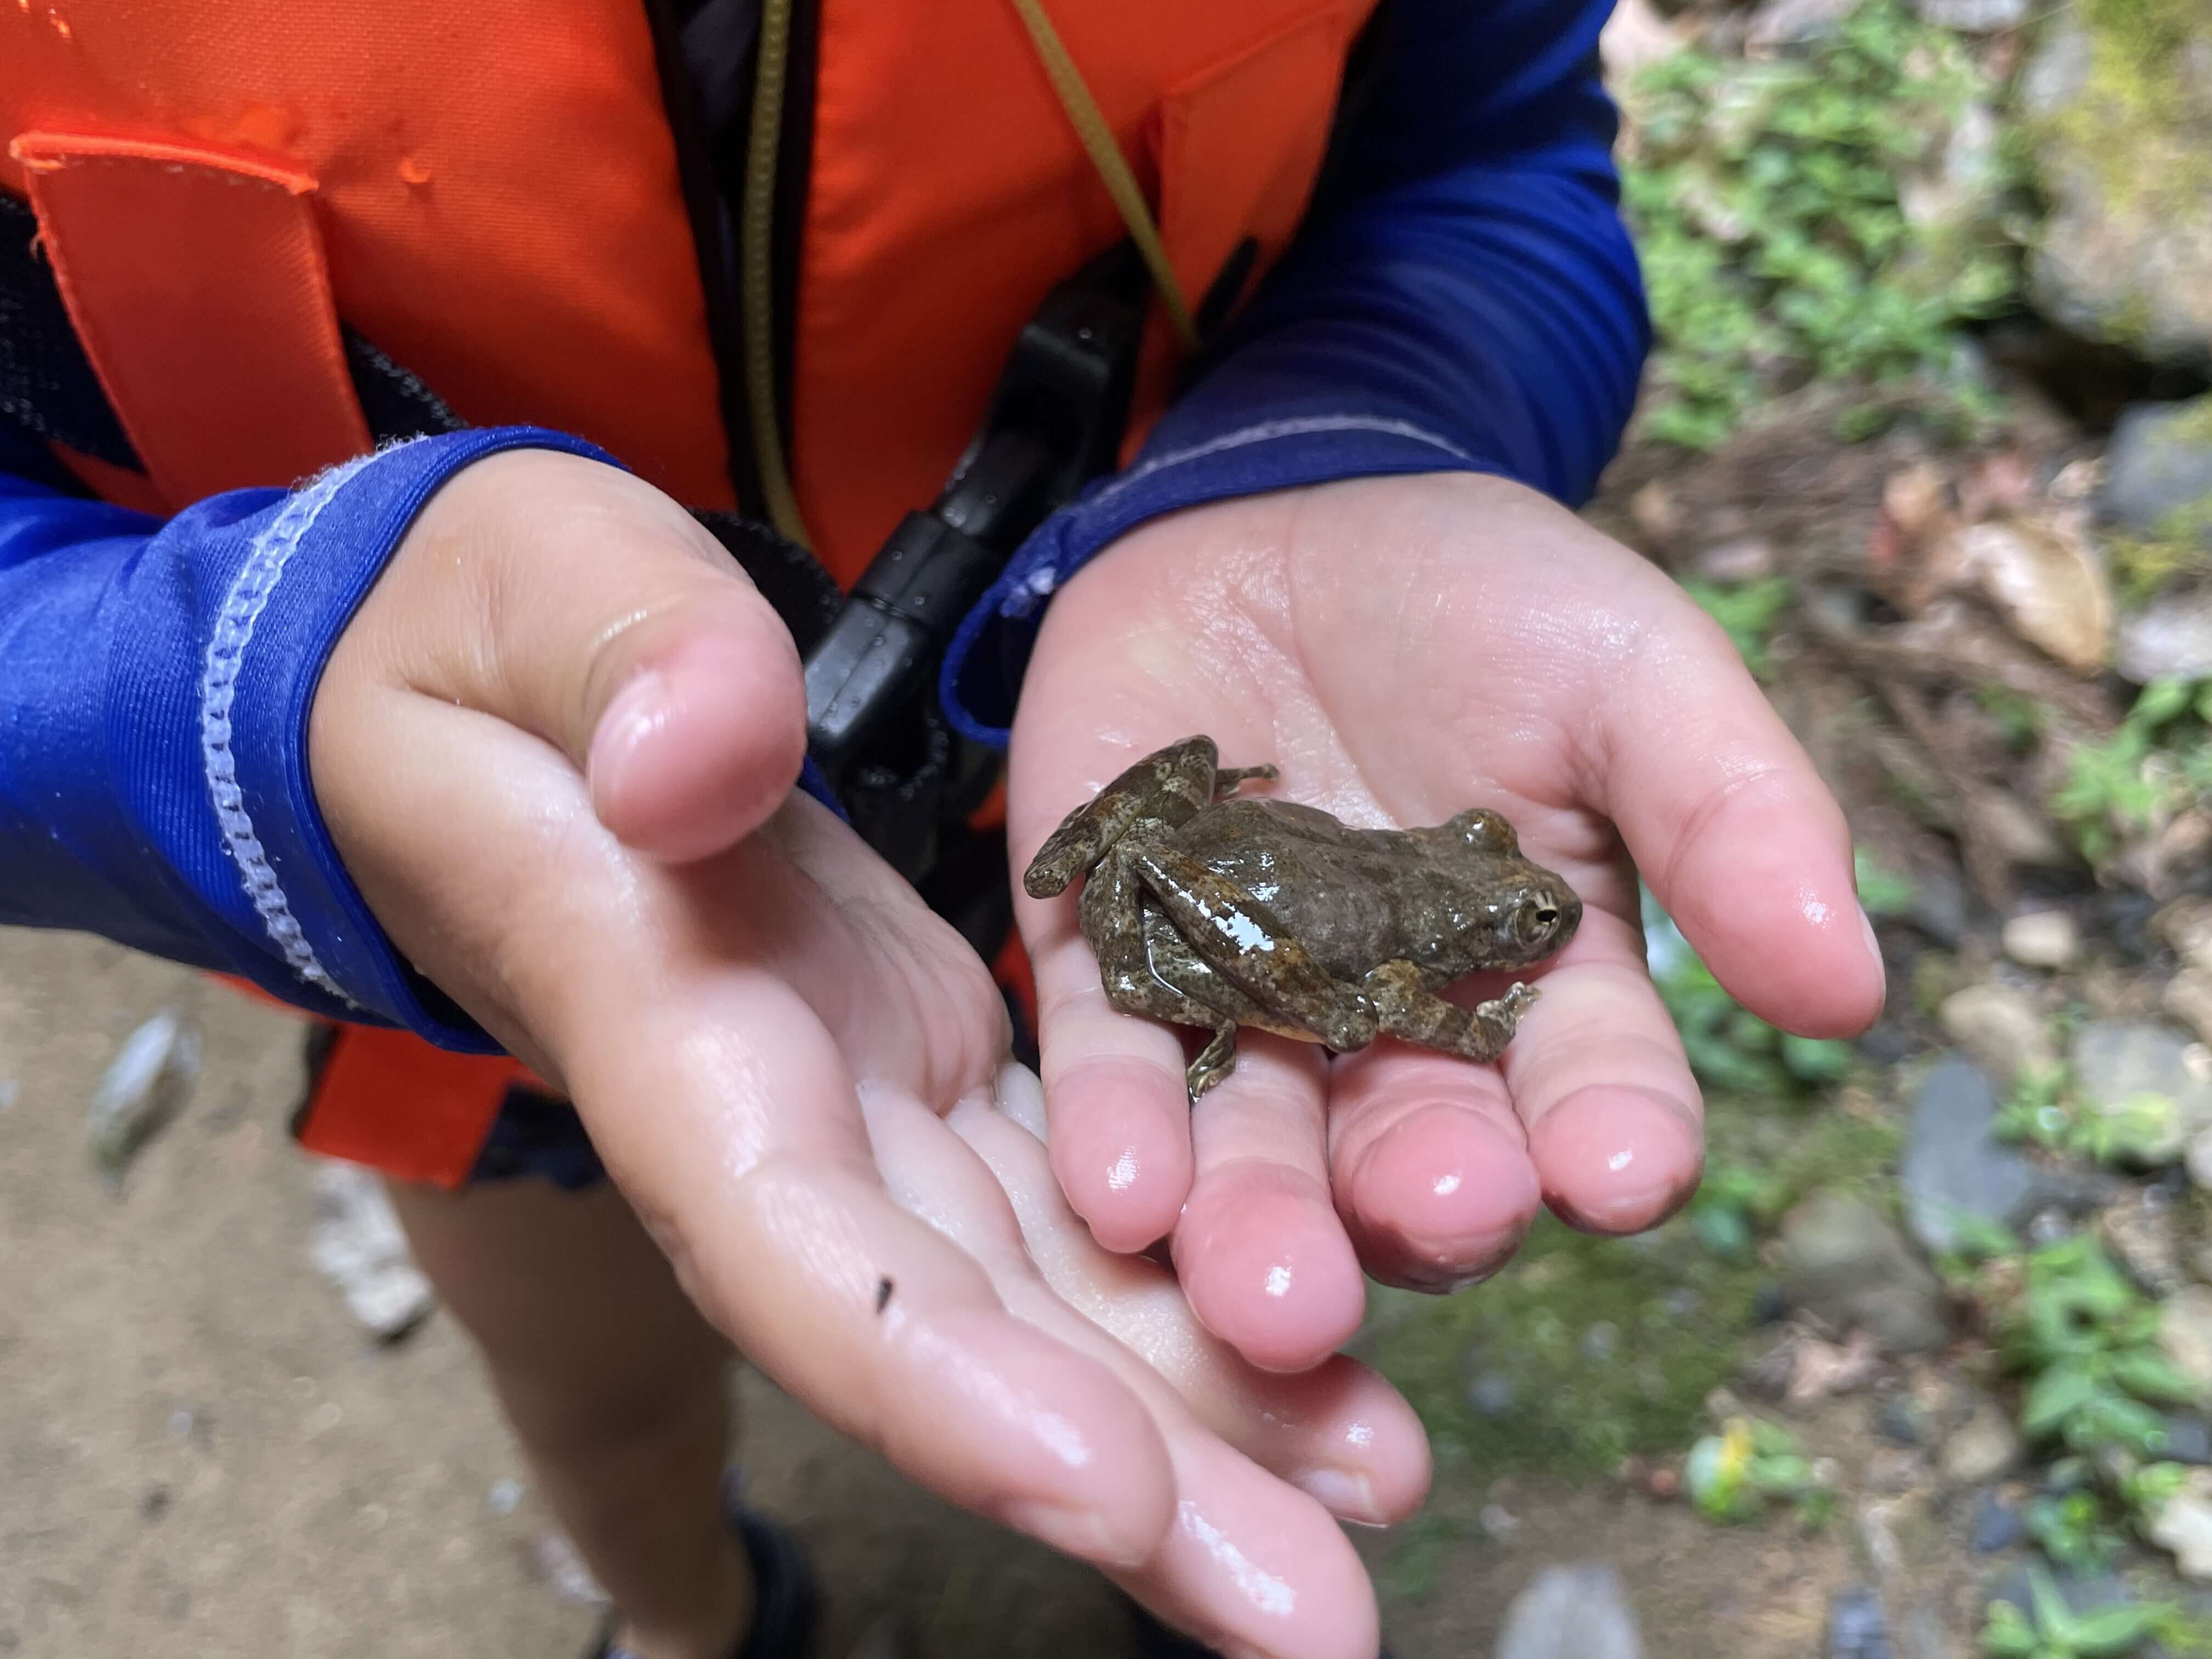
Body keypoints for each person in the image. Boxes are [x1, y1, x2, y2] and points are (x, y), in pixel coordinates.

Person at [0, 0, 1886, 1654]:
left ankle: (1187, 1556)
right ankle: (686, 1608)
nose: (1487, 943)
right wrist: (237, 700)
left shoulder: (1408, 926)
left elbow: (1487, 159)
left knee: (1223, 1284)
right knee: (594, 1382)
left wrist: (1340, 435)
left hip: (1086, 771)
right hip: (458, 894)